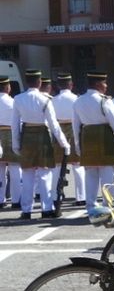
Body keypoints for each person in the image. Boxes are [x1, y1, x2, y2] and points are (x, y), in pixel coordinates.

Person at [12, 69, 70, 219]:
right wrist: (64, 143)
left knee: (27, 176)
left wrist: (16, 144)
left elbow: (14, 125)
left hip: (26, 136)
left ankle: (26, 210)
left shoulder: (18, 99)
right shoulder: (45, 100)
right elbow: (53, 125)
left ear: (27, 81)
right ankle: (46, 208)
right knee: (45, 175)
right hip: (43, 136)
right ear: (39, 82)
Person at [72, 71, 114, 212]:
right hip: (104, 137)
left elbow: (75, 125)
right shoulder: (104, 100)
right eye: (104, 83)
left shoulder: (78, 101)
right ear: (98, 84)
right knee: (107, 174)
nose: (106, 86)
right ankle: (107, 205)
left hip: (87, 137)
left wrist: (77, 144)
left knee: (90, 175)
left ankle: (91, 206)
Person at [51, 72, 85, 206]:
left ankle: (55, 196)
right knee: (78, 166)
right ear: (71, 84)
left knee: (57, 166)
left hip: (58, 131)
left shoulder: (53, 100)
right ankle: (81, 197)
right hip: (73, 129)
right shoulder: (76, 99)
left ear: (58, 85)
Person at [0, 76, 21, 208]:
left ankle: (0, 199)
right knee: (15, 170)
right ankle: (16, 199)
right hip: (11, 134)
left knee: (0, 171)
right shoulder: (13, 102)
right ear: (8, 88)